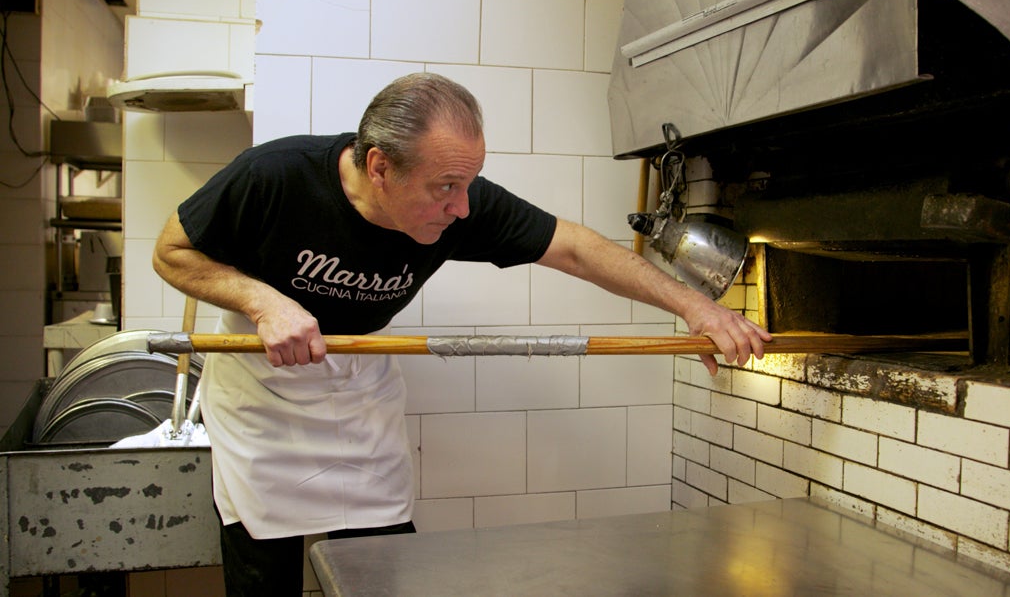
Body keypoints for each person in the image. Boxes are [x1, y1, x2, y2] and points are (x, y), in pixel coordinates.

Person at [152, 72, 771, 595]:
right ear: (380, 168)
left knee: (382, 563)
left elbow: (577, 250)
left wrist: (697, 308)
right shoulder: (273, 176)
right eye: (445, 187)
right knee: (265, 571)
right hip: (263, 394)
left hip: (357, 391)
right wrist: (264, 303)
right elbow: (171, 252)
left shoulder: (460, 202)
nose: (463, 208)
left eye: (468, 183)